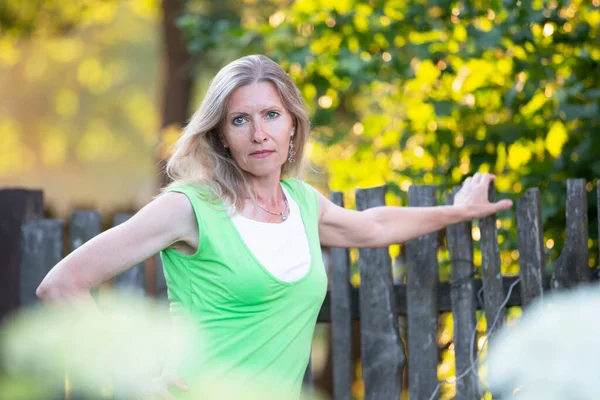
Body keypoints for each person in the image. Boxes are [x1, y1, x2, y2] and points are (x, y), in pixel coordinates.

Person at [36, 54, 513, 399]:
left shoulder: (302, 204)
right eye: (239, 120)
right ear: (221, 135)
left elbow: (371, 226)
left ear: (292, 128)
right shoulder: (188, 207)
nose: (258, 133)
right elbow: (61, 285)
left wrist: (459, 211)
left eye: (270, 115)